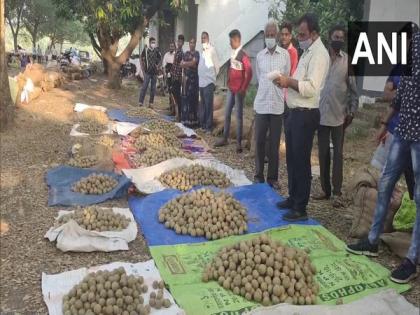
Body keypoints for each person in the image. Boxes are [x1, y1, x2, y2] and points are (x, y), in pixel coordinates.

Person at [346, 30, 420, 284]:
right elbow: (399, 97)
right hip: (402, 131)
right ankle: (373, 240)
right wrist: (385, 123)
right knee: (387, 181)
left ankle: (411, 261)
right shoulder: (406, 62)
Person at [275, 13, 330, 221]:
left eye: (303, 34)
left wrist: (288, 82)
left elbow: (311, 88)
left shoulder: (320, 55)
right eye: (298, 34)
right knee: (292, 159)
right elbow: (299, 81)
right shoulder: (307, 52)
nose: (300, 37)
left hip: (306, 115)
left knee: (301, 161)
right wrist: (285, 81)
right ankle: (293, 197)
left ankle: (301, 207)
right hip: (295, 113)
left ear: (314, 33)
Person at [312, 25, 358, 206]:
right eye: (335, 36)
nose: (338, 39)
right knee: (323, 154)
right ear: (329, 37)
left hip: (339, 117)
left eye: (341, 37)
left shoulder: (348, 62)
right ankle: (325, 190)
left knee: (338, 154)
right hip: (321, 116)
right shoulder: (321, 59)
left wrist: (352, 111)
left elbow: (354, 91)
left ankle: (337, 193)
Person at [254, 19, 290, 187]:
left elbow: (286, 78)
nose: (269, 37)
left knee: (274, 145)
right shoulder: (259, 56)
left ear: (276, 36)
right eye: (267, 35)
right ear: (264, 36)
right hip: (261, 105)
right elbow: (259, 78)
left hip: (276, 106)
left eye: (272, 35)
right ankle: (259, 175)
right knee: (260, 141)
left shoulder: (285, 55)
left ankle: (272, 178)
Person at [378, 64, 415, 200]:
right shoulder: (398, 68)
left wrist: (399, 92)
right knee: (385, 178)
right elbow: (386, 95)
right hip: (394, 131)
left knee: (413, 181)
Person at [214, 29, 253, 152]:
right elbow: (231, 69)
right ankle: (225, 138)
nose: (229, 43)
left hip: (239, 91)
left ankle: (238, 144)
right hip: (231, 89)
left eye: (231, 41)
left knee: (239, 116)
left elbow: (249, 72)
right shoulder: (233, 53)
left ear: (237, 41)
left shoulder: (243, 55)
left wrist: (243, 88)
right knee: (227, 113)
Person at [198, 31, 220, 132]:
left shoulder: (212, 50)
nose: (203, 40)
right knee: (203, 104)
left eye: (205, 38)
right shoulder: (202, 51)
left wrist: (212, 79)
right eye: (202, 38)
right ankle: (203, 125)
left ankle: (208, 127)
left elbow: (217, 67)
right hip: (201, 82)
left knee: (208, 105)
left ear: (208, 38)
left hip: (208, 82)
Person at [180, 38, 200, 127]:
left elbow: (194, 63)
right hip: (187, 80)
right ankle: (186, 120)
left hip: (194, 80)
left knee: (193, 100)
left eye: (193, 43)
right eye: (190, 42)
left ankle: (193, 122)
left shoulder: (197, 53)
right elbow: (181, 65)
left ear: (195, 44)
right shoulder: (186, 53)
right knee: (186, 99)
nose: (192, 44)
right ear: (189, 44)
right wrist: (190, 63)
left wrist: (186, 63)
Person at [139, 37, 162, 108]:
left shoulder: (157, 50)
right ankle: (140, 102)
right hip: (147, 72)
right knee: (144, 87)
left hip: (154, 72)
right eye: (152, 42)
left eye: (154, 43)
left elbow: (160, 59)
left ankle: (151, 103)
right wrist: (143, 70)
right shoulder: (145, 50)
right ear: (149, 43)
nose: (153, 44)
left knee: (153, 88)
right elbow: (141, 59)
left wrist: (158, 66)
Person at [171, 35, 185, 121]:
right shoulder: (177, 51)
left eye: (180, 42)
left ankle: (179, 116)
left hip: (178, 77)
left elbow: (182, 66)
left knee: (177, 97)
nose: (179, 43)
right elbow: (174, 64)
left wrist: (181, 78)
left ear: (183, 43)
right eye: (178, 41)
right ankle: (177, 115)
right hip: (173, 76)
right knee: (174, 96)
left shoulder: (181, 53)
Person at [163, 42, 176, 115]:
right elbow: (164, 66)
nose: (171, 48)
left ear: (174, 47)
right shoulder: (166, 55)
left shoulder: (176, 55)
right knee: (170, 91)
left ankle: (174, 108)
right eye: (170, 46)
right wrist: (164, 75)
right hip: (168, 76)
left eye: (172, 46)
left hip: (175, 76)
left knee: (174, 92)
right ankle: (170, 106)